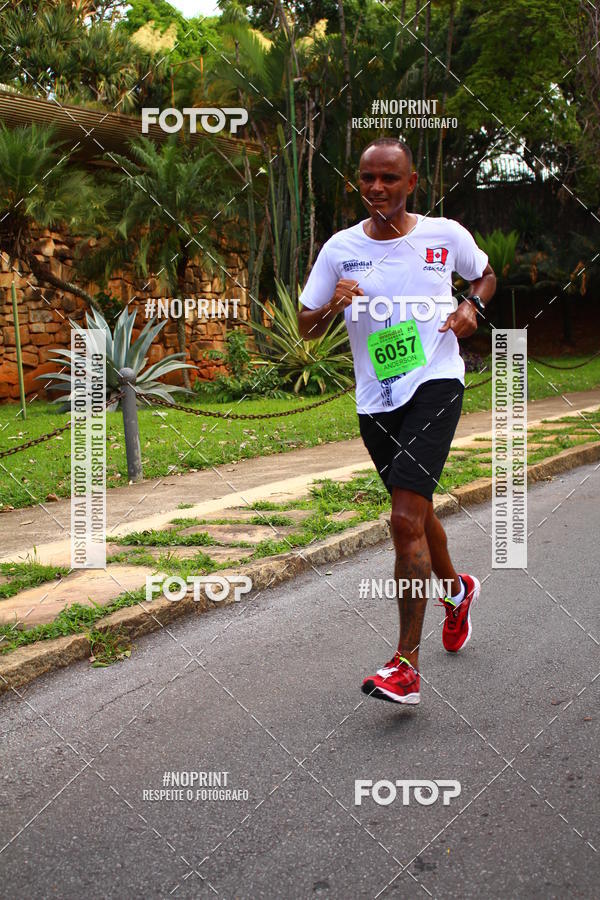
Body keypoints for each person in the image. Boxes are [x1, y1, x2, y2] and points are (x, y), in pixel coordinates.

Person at [297, 137, 496, 705]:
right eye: (367, 179)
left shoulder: (445, 236)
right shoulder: (340, 249)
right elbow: (308, 325)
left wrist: (470, 308)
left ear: (411, 183)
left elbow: (485, 275)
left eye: (389, 178)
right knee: (417, 509)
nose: (377, 188)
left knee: (403, 519)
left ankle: (405, 666)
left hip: (435, 381)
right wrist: (331, 307)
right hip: (375, 399)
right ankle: (456, 592)